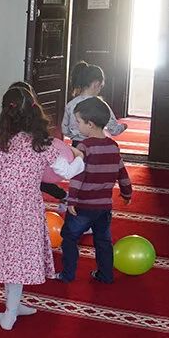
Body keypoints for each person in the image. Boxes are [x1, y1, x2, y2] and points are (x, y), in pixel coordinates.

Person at [0, 87, 84, 331]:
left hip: (2, 206)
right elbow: (67, 172)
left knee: (8, 255)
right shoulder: (41, 143)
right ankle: (11, 310)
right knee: (18, 256)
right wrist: (79, 157)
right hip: (26, 207)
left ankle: (11, 309)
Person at [55, 97, 132, 284]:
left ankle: (68, 274)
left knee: (69, 237)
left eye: (79, 122)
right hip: (104, 206)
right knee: (103, 241)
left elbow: (78, 176)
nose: (77, 126)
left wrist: (71, 200)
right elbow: (121, 170)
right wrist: (127, 191)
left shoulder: (84, 147)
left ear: (89, 124)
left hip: (83, 205)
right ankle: (105, 275)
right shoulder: (113, 147)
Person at [8, 81, 69, 206]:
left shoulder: (33, 119)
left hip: (30, 162)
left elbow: (43, 140)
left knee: (37, 182)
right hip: (14, 164)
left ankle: (63, 195)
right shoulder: (8, 117)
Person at [62, 62, 128, 146]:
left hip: (77, 144)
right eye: (101, 86)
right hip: (97, 145)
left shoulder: (70, 105)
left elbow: (65, 130)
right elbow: (114, 130)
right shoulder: (101, 105)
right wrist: (123, 126)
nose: (100, 89)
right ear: (96, 84)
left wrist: (75, 136)